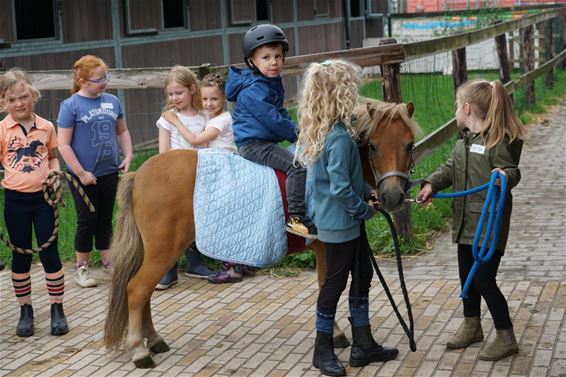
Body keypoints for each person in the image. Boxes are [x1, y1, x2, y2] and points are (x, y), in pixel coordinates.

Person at [295, 60, 398, 377]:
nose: (355, 94)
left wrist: (368, 190)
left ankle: (363, 344)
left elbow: (347, 180)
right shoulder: (338, 139)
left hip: (346, 222)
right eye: (351, 89)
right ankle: (321, 350)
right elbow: (340, 188)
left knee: (362, 275)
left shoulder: (332, 132)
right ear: (340, 94)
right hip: (341, 225)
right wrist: (365, 209)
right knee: (334, 285)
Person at [417, 79, 525, 361]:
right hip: (465, 223)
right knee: (467, 277)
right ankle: (471, 325)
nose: (455, 110)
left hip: (488, 225)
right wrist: (431, 184)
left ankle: (506, 336)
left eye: (456, 105)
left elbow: (512, 170)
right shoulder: (464, 141)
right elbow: (451, 168)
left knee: (484, 280)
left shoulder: (495, 141)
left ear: (466, 108)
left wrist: (505, 177)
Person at [161, 71, 255, 284]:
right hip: (192, 172)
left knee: (211, 217)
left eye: (214, 99)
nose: (209, 103)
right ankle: (171, 266)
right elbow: (165, 151)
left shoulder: (215, 119)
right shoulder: (210, 118)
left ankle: (225, 264)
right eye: (206, 99)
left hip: (214, 172)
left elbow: (196, 141)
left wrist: (175, 120)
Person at [225, 23, 317, 240]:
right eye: (266, 57)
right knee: (297, 166)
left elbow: (281, 112)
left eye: (277, 56)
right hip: (254, 145)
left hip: (262, 142)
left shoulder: (269, 81)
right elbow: (272, 120)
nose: (274, 62)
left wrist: (302, 129)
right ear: (251, 61)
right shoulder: (254, 89)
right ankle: (296, 217)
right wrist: (298, 134)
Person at [0, 68, 68, 337]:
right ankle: (25, 310)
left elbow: (52, 157)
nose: (19, 103)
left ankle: (57, 309)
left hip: (44, 200)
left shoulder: (47, 127)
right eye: (12, 99)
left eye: (23, 97)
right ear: (4, 103)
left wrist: (53, 170)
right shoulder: (2, 130)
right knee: (20, 256)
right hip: (15, 202)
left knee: (49, 254)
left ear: (33, 96)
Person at [57, 55, 133, 288]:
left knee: (104, 218)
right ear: (82, 81)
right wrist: (80, 172)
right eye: (99, 79)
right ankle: (82, 267)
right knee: (86, 220)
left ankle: (108, 263)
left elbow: (122, 131)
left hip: (109, 171)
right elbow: (63, 144)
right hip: (83, 176)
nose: (104, 82)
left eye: (105, 77)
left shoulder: (112, 101)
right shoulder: (71, 106)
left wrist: (128, 155)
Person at [153, 66, 217, 290]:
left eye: (178, 93)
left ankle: (195, 262)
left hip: (199, 175)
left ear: (192, 90)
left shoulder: (204, 116)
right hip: (175, 178)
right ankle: (169, 267)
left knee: (196, 219)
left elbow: (208, 144)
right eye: (170, 94)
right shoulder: (167, 120)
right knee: (174, 222)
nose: (174, 98)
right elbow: (163, 153)